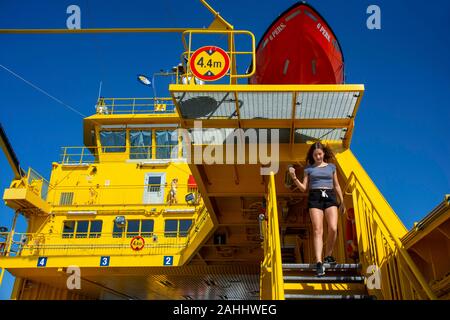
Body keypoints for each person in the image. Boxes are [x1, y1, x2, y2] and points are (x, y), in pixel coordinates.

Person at [288, 141, 345, 277]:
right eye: (315, 155)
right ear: (312, 156)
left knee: (333, 228)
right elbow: (303, 188)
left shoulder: (332, 167)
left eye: (319, 154)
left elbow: (336, 185)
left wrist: (341, 201)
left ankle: (328, 255)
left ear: (323, 153)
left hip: (330, 196)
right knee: (317, 229)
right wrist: (294, 177)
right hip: (315, 197)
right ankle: (319, 262)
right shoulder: (309, 169)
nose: (318, 157)